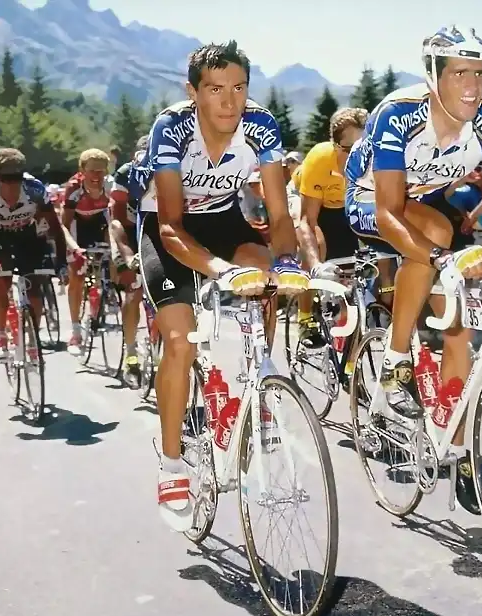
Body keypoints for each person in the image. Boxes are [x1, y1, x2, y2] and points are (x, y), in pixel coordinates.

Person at [344, 25, 482, 515]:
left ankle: (457, 452)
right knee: (439, 236)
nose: (472, 85)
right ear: (434, 75)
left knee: (459, 329)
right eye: (460, 73)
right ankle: (396, 359)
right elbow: (390, 211)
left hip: (422, 201)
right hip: (374, 200)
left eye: (479, 73)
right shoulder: (400, 113)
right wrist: (443, 259)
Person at [132, 41, 308, 531]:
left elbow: (276, 214)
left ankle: (259, 383)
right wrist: (218, 270)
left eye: (239, 88)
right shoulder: (172, 128)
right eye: (215, 90)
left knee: (265, 276)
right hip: (167, 228)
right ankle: (171, 463)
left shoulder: (260, 125)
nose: (230, 102)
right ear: (194, 93)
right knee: (180, 342)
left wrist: (289, 261)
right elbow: (170, 225)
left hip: (224, 218)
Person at [0, 149, 67, 358]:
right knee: (2, 279)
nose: (13, 184)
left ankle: (32, 337)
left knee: (34, 284)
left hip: (28, 235)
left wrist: (61, 262)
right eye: (7, 179)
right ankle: (0, 335)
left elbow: (55, 227)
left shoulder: (35, 189)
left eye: (17, 177)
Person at [295, 107, 368, 348]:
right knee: (316, 248)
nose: (356, 156)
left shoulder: (373, 159)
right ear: (334, 144)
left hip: (346, 206)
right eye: (348, 150)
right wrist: (316, 265)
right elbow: (307, 221)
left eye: (362, 148)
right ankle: (305, 318)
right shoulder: (320, 159)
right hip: (314, 205)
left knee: (349, 273)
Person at [61, 148, 113, 355]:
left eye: (101, 171)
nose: (96, 176)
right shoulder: (74, 188)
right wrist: (74, 248)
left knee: (112, 255)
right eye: (92, 171)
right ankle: (75, 331)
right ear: (82, 170)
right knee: (77, 276)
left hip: (100, 222)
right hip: (77, 226)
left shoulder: (110, 186)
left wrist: (114, 248)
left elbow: (112, 222)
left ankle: (104, 295)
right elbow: (64, 225)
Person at [109, 135, 149, 386]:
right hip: (128, 231)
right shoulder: (125, 174)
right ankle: (131, 352)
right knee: (133, 291)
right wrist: (126, 255)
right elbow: (116, 221)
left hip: (156, 230)